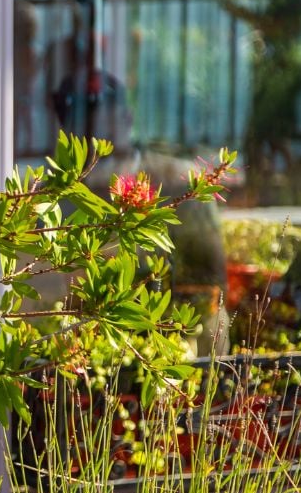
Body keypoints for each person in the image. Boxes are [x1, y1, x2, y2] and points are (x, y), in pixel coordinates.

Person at [49, 70, 229, 353]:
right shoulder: (56, 198)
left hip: (172, 350)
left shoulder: (179, 183)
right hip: (85, 354)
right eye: (83, 125)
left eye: (104, 121)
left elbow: (207, 285)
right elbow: (47, 296)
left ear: (127, 118)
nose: (93, 135)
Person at [220, 0, 301, 204]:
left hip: (283, 74)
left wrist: (243, 14)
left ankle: (274, 191)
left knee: (264, 135)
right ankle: (272, 191)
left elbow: (282, 27)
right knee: (267, 137)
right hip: (273, 73)